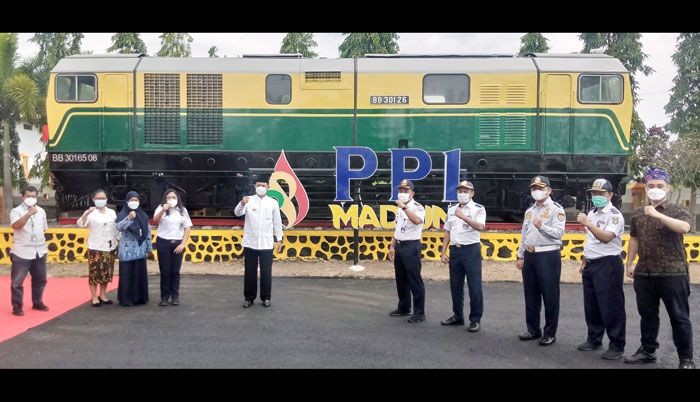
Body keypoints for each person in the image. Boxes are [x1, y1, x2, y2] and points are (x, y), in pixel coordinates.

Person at [624, 167, 695, 369]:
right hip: (645, 273)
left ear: (668, 188)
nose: (655, 189)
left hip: (673, 273)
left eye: (660, 186)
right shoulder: (638, 213)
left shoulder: (677, 210)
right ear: (646, 188)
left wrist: (658, 214)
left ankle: (686, 359)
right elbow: (634, 239)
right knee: (647, 315)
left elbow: (684, 228)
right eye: (652, 186)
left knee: (679, 317)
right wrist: (630, 263)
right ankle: (647, 350)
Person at [575, 178, 626, 360]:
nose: (597, 196)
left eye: (601, 193)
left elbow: (606, 238)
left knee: (611, 305)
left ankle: (617, 344)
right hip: (591, 263)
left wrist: (588, 223)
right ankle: (594, 338)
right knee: (592, 304)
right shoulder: (593, 213)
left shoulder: (614, 215)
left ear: (610, 195)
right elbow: (590, 240)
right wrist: (584, 258)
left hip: (608, 264)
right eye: (594, 193)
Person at [515, 176, 565, 346]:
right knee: (531, 295)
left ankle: (550, 332)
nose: (536, 191)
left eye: (540, 188)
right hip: (530, 256)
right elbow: (524, 235)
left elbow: (559, 234)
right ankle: (533, 329)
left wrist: (542, 226)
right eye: (534, 188)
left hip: (548, 256)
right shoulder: (529, 211)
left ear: (549, 190)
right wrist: (520, 255)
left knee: (550, 296)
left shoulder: (556, 209)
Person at [440, 180, 486, 332]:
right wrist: (443, 251)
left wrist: (464, 217)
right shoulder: (452, 209)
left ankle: (475, 319)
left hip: (471, 250)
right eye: (460, 191)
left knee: (474, 286)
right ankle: (457, 316)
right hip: (455, 250)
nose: (462, 194)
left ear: (472, 193)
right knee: (455, 286)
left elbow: (480, 226)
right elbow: (447, 231)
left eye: (466, 191)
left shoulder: (478, 209)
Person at [234, 178, 283, 308]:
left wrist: (279, 239)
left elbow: (277, 222)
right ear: (255, 186)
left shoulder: (273, 203)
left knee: (266, 272)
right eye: (259, 185)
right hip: (251, 243)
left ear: (268, 187)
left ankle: (266, 298)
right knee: (250, 272)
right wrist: (241, 203)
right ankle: (249, 298)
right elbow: (237, 212)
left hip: (266, 243)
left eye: (263, 185)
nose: (261, 187)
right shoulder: (248, 200)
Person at [388, 179, 427, 323]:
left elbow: (417, 221)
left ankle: (419, 313)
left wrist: (404, 207)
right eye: (401, 190)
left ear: (412, 193)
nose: (402, 193)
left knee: (414, 279)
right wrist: (392, 246)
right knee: (401, 279)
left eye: (406, 190)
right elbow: (398, 227)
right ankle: (404, 307)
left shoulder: (417, 207)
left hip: (411, 246)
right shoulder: (399, 208)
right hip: (400, 245)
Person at [9, 186, 49, 316]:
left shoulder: (41, 211)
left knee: (40, 279)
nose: (31, 199)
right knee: (17, 282)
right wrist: (28, 214)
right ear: (22, 197)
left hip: (39, 251)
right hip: (22, 251)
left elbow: (43, 229)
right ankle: (17, 305)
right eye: (28, 196)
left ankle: (37, 302)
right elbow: (16, 226)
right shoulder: (16, 211)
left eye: (33, 196)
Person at [76, 189, 118, 307]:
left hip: (109, 247)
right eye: (98, 198)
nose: (101, 200)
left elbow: (115, 227)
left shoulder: (111, 212)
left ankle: (103, 294)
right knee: (95, 272)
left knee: (106, 271)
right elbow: (81, 224)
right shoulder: (91, 212)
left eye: (103, 198)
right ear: (93, 199)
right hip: (95, 247)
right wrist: (86, 213)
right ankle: (94, 296)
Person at [153, 189, 192, 306]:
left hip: (178, 244)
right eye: (169, 197)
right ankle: (164, 297)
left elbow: (187, 227)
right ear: (165, 199)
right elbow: (155, 221)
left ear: (177, 198)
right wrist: (163, 210)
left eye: (173, 197)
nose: (171, 199)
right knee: (165, 271)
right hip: (163, 243)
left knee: (175, 271)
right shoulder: (161, 208)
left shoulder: (183, 211)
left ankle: (175, 296)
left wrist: (183, 244)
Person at [115, 191, 152, 307]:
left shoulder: (143, 215)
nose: (134, 202)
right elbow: (119, 227)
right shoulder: (122, 214)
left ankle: (140, 298)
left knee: (138, 275)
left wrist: (149, 248)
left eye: (136, 200)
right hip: (126, 251)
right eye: (131, 200)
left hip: (140, 251)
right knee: (127, 275)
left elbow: (148, 232)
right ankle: (126, 299)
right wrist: (129, 218)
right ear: (127, 201)